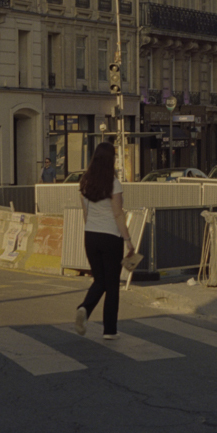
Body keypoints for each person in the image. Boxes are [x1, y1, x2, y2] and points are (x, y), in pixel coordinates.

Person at [73, 141, 134, 340]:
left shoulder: (85, 182)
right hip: (110, 237)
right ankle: (109, 330)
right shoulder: (114, 183)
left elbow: (85, 213)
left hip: (90, 235)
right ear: (111, 159)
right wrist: (128, 240)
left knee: (99, 280)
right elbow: (118, 214)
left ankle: (85, 308)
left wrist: (92, 230)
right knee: (112, 284)